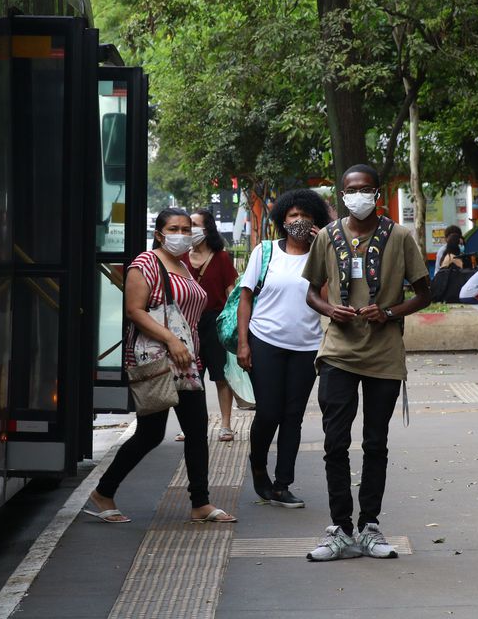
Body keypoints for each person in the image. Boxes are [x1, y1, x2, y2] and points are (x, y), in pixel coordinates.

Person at [302, 165, 430, 561]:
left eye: (365, 189)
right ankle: (340, 528)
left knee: (376, 442)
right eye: (350, 189)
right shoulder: (327, 236)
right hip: (338, 351)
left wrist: (389, 313)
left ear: (378, 193)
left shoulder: (401, 236)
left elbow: (425, 292)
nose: (358, 196)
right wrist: (330, 309)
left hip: (384, 354)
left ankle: (369, 526)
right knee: (335, 442)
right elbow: (311, 293)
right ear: (342, 194)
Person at [87, 208, 236, 524]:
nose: (182, 234)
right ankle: (103, 491)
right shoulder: (146, 264)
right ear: (158, 233)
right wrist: (171, 340)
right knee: (150, 434)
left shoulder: (182, 265)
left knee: (196, 431)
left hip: (186, 361)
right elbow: (134, 311)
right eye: (174, 228)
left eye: (186, 228)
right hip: (159, 360)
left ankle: (201, 504)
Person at [236, 189, 329, 509]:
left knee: (293, 417)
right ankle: (258, 465)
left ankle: (282, 484)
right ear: (282, 220)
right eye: (293, 216)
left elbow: (328, 301)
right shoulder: (264, 252)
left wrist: (323, 249)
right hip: (265, 341)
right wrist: (243, 343)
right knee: (269, 412)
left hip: (306, 346)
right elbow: (245, 297)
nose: (299, 221)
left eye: (306, 216)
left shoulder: (322, 254)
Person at [185, 208, 239, 441]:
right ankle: (191, 427)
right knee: (190, 378)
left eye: (194, 226)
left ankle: (225, 426)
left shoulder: (222, 258)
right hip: (187, 323)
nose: (190, 231)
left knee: (220, 376)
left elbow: (232, 294)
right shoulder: (181, 258)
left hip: (215, 323)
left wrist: (236, 324)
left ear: (207, 230)